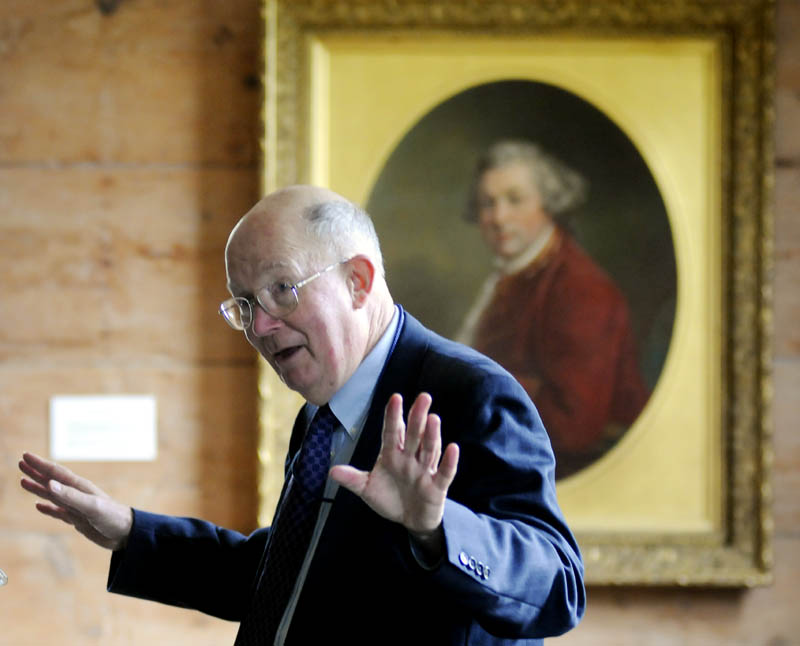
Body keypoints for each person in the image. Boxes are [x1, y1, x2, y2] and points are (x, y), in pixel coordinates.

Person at [19, 185, 584, 645]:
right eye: (244, 305)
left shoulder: (470, 393)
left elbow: (559, 589)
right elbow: (285, 577)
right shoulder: (322, 416)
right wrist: (132, 532)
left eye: (282, 290)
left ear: (357, 281)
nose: (260, 327)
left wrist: (437, 529)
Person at [458, 140, 650, 479]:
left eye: (515, 200)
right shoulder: (515, 272)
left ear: (549, 204)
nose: (499, 217)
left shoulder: (580, 289)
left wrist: (472, 389)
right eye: (488, 204)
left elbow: (574, 427)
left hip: (571, 470)